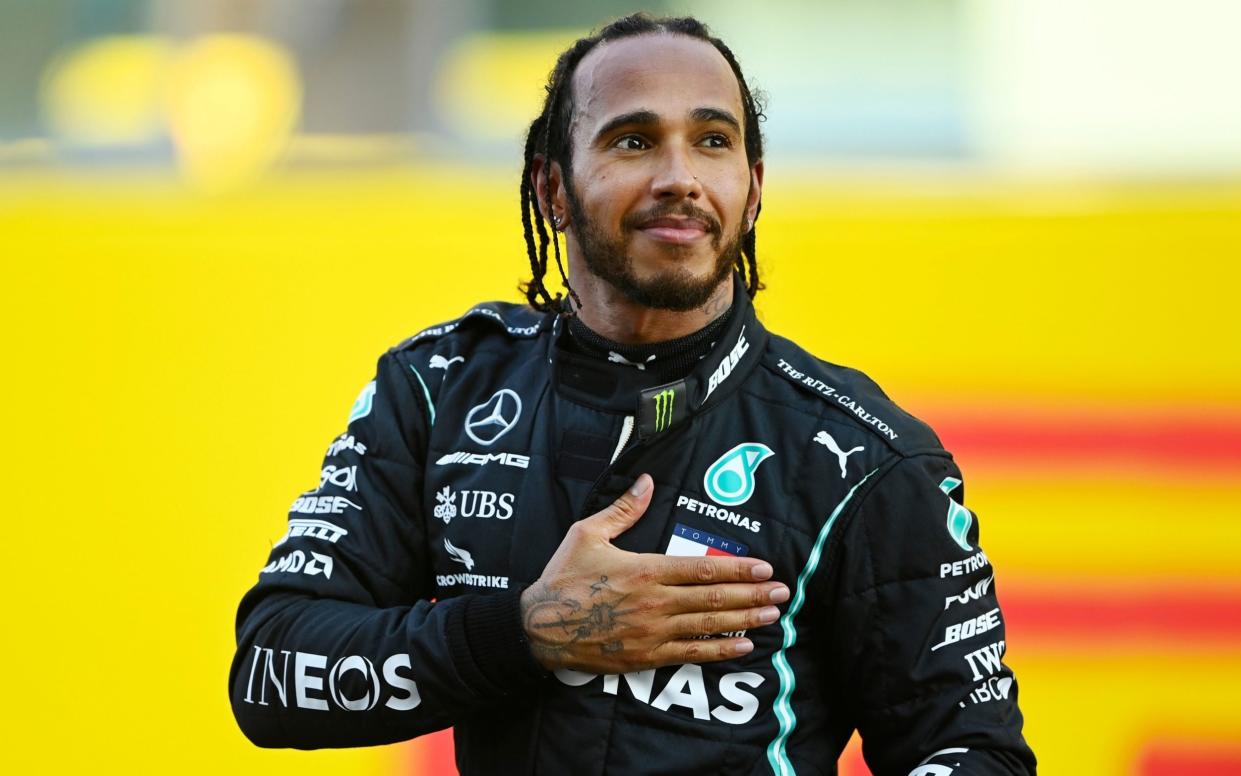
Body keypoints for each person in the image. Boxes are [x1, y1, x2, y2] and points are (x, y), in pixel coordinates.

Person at [229, 14, 1036, 775]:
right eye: (633, 140)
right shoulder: (439, 390)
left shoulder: (865, 459)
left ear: (752, 190)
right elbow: (269, 673)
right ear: (552, 187)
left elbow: (976, 752)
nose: (679, 177)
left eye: (712, 141)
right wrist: (528, 632)